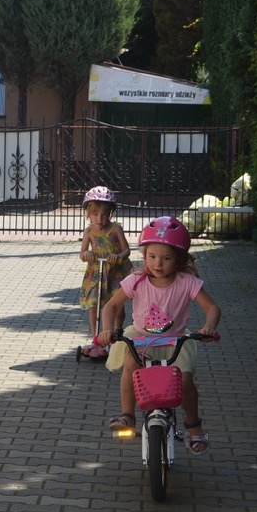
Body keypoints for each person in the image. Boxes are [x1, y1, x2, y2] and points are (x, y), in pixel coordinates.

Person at [97, 216, 221, 453]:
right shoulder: (136, 280)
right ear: (144, 255)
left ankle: (194, 426)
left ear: (179, 259)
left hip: (176, 339)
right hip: (141, 337)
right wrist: (107, 329)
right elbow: (110, 306)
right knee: (131, 365)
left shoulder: (187, 282)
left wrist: (209, 327)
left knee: (185, 380)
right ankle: (127, 415)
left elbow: (213, 308)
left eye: (166, 258)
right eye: (152, 256)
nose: (158, 263)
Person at [78, 186, 132, 358]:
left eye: (104, 215)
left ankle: (118, 331)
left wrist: (118, 256)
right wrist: (86, 254)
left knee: (117, 307)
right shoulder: (89, 231)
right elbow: (82, 253)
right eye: (95, 215)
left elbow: (127, 250)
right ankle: (96, 337)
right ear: (88, 214)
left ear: (110, 214)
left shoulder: (116, 229)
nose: (99, 219)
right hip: (96, 273)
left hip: (115, 272)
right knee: (93, 304)